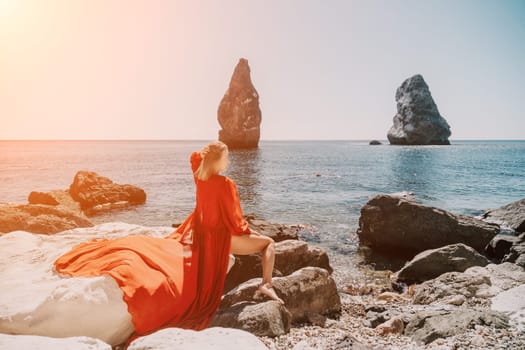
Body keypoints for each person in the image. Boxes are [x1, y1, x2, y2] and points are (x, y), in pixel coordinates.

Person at [53, 140, 283, 346]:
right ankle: (266, 284)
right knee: (268, 243)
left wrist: (208, 152)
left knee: (259, 241)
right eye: (226, 157)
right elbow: (235, 220)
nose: (229, 160)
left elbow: (194, 158)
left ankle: (265, 283)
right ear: (219, 161)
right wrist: (247, 231)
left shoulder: (200, 176)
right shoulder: (226, 184)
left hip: (201, 235)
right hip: (221, 240)